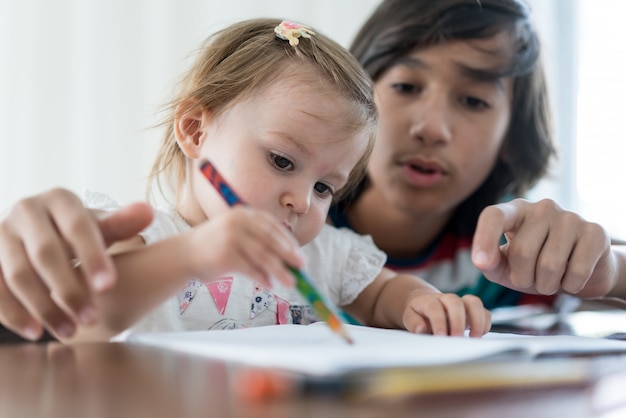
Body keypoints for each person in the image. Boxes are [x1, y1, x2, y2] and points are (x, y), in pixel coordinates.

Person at [0, 18, 490, 343]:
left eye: (325, 188)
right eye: (281, 161)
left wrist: (423, 304)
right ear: (195, 130)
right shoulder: (146, 237)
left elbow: (384, 294)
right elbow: (97, 314)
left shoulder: (324, 255)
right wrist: (195, 254)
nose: (301, 200)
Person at [327, 0, 626, 310]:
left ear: (513, 139)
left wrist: (614, 272)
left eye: (473, 101)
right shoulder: (298, 225)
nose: (432, 128)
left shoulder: (520, 253)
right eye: (405, 86)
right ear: (354, 96)